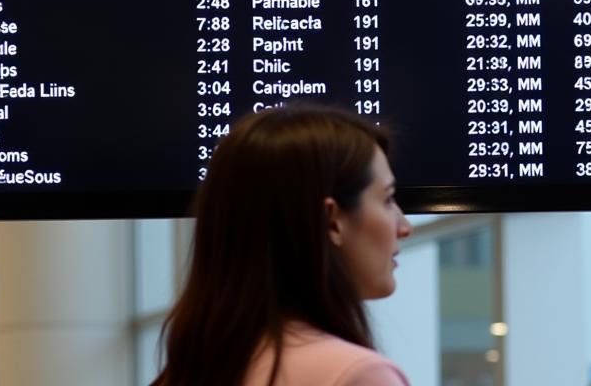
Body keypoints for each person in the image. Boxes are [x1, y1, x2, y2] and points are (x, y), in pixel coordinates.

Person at [151, 105, 412, 386]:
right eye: (387, 199)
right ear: (332, 220)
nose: (404, 227)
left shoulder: (185, 373)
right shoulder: (358, 375)